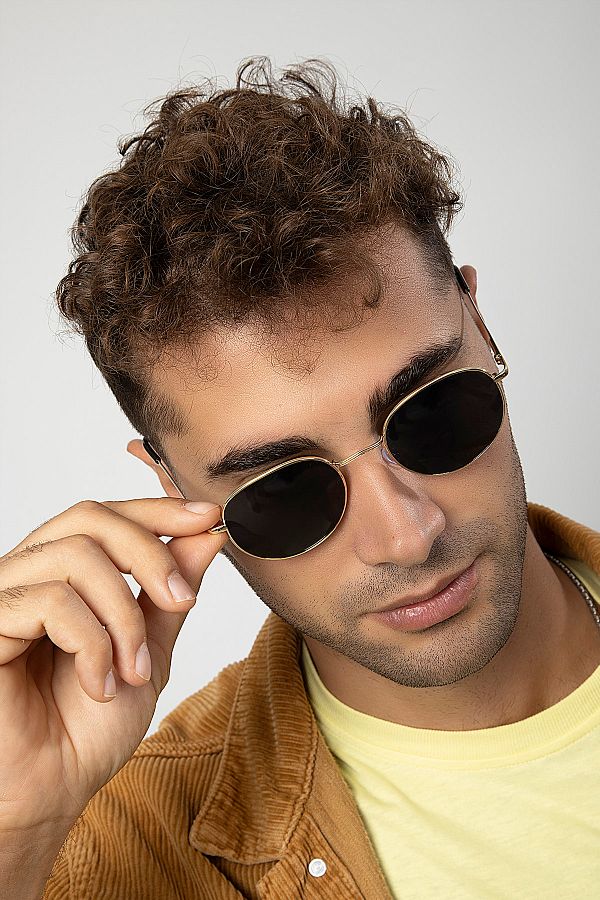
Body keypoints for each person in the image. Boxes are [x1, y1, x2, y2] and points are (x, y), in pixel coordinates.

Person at [1, 57, 598, 900]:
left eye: (429, 415)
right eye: (287, 490)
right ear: (174, 492)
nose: (406, 534)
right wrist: (14, 832)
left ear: (480, 323)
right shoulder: (114, 851)